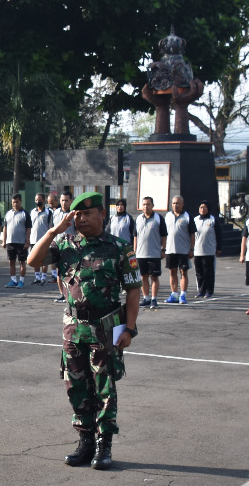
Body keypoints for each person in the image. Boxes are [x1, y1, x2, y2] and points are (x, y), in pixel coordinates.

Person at [26, 192, 139, 470]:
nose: (81, 218)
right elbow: (33, 261)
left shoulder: (119, 248)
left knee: (104, 386)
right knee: (75, 384)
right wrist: (53, 230)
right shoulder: (65, 243)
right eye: (77, 214)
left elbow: (134, 290)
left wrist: (130, 329)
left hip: (106, 325)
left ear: (102, 214)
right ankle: (85, 440)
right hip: (73, 327)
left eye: (87, 213)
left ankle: (104, 444)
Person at [134, 196, 167, 309]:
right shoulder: (138, 219)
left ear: (152, 205)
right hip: (140, 254)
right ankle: (146, 298)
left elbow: (164, 235)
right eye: (144, 204)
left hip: (154, 254)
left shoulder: (158, 218)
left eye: (148, 204)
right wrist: (135, 250)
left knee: (154, 277)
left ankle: (154, 299)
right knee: (143, 277)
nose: (146, 206)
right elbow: (135, 235)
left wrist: (163, 249)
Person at [163, 195, 193, 304]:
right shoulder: (167, 216)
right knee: (172, 272)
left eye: (178, 203)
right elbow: (163, 233)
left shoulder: (187, 216)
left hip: (183, 250)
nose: (175, 205)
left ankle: (183, 295)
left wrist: (191, 248)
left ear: (182, 204)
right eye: (174, 203)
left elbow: (192, 233)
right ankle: (174, 294)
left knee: (183, 272)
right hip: (170, 250)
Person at [3, 193, 31, 288]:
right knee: (11, 261)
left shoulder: (25, 214)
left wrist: (27, 241)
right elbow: (5, 228)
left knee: (22, 262)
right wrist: (4, 240)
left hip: (21, 242)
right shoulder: (8, 213)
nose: (15, 204)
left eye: (17, 202)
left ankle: (21, 281)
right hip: (10, 242)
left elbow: (28, 229)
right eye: (13, 202)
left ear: (20, 202)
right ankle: (13, 280)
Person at [192, 201, 217, 298]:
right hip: (197, 251)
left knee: (209, 272)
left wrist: (218, 248)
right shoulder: (195, 220)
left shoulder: (212, 220)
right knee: (199, 272)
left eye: (204, 207)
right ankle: (201, 290)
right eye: (201, 207)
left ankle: (209, 290)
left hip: (209, 251)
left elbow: (218, 234)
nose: (203, 209)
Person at [29, 193, 55, 285]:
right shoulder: (32, 212)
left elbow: (51, 226)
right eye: (36, 199)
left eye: (39, 199)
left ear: (44, 200)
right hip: (33, 239)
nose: (38, 201)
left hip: (44, 240)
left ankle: (44, 277)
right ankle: (37, 277)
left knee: (44, 259)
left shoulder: (48, 212)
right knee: (35, 259)